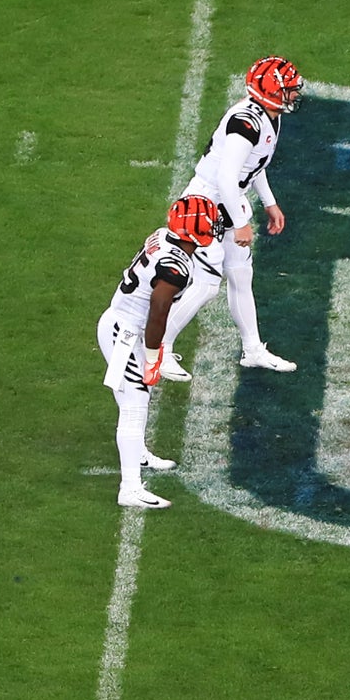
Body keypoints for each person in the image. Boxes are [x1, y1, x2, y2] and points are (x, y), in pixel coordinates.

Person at [163, 56, 302, 372]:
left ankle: (252, 349)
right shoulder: (246, 123)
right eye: (289, 88)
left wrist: (269, 202)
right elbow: (226, 177)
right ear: (271, 91)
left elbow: (254, 165)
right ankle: (159, 347)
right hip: (205, 204)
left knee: (240, 275)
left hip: (228, 200)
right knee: (205, 284)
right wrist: (241, 223)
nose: (294, 94)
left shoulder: (269, 115)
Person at [99, 197, 225, 509]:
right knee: (134, 405)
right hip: (125, 333)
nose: (213, 226)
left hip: (123, 323)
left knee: (136, 399)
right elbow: (158, 309)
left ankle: (138, 453)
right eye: (208, 222)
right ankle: (130, 489)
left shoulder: (163, 236)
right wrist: (154, 357)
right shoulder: (176, 267)